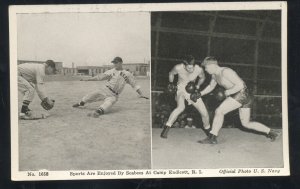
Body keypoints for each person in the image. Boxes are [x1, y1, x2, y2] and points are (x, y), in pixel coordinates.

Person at [198, 57, 278, 144]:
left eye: (206, 67)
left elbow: (240, 85)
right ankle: (272, 132)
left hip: (241, 93)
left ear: (212, 65)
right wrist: (200, 94)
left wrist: (227, 92)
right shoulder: (214, 75)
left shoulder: (226, 71)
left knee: (219, 111)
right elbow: (211, 87)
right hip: (243, 96)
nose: (205, 70)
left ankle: (212, 137)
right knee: (246, 123)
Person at [72, 57, 148, 117]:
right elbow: (100, 77)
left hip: (114, 95)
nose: (114, 64)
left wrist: (141, 94)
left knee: (107, 105)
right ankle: (81, 103)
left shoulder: (128, 74)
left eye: (116, 62)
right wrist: (88, 79)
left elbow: (134, 84)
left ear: (121, 63)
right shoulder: (111, 71)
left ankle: (97, 112)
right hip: (105, 90)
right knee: (90, 96)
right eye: (114, 63)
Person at [160, 55, 210, 138]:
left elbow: (202, 78)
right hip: (181, 88)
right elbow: (171, 73)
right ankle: (166, 129)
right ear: (184, 65)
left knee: (204, 112)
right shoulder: (178, 67)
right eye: (188, 68)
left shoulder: (198, 69)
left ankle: (208, 130)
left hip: (192, 89)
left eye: (192, 67)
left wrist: (197, 86)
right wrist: (171, 83)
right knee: (180, 107)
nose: (191, 70)